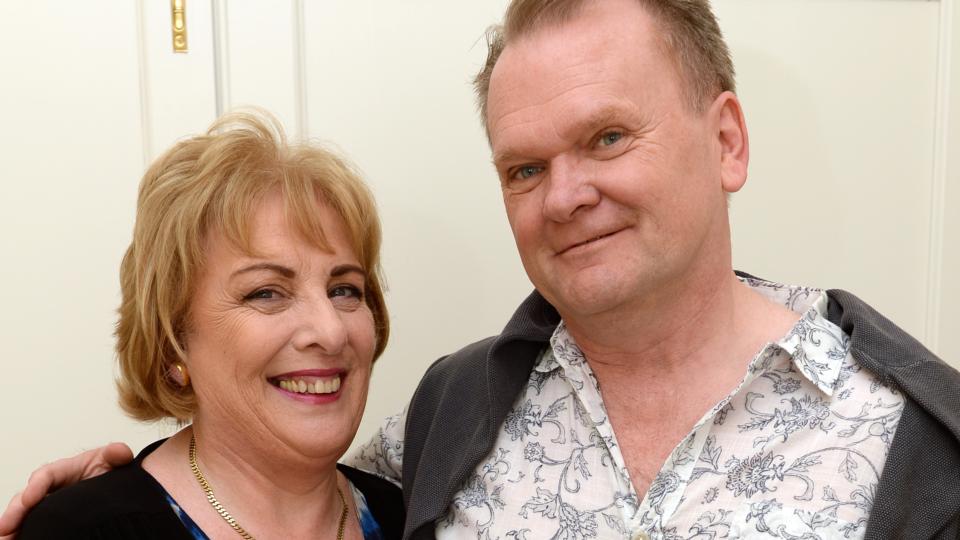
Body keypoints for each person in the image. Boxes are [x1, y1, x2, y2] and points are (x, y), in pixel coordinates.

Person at [3, 0, 959, 539]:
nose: (566, 195)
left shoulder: (914, 441)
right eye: (524, 169)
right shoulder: (451, 418)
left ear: (727, 142)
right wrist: (99, 500)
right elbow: (260, 463)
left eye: (608, 137)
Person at [11, 112, 403, 539]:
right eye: (266, 293)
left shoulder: (413, 517)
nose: (331, 332)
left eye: (344, 290)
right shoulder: (82, 531)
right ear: (173, 341)